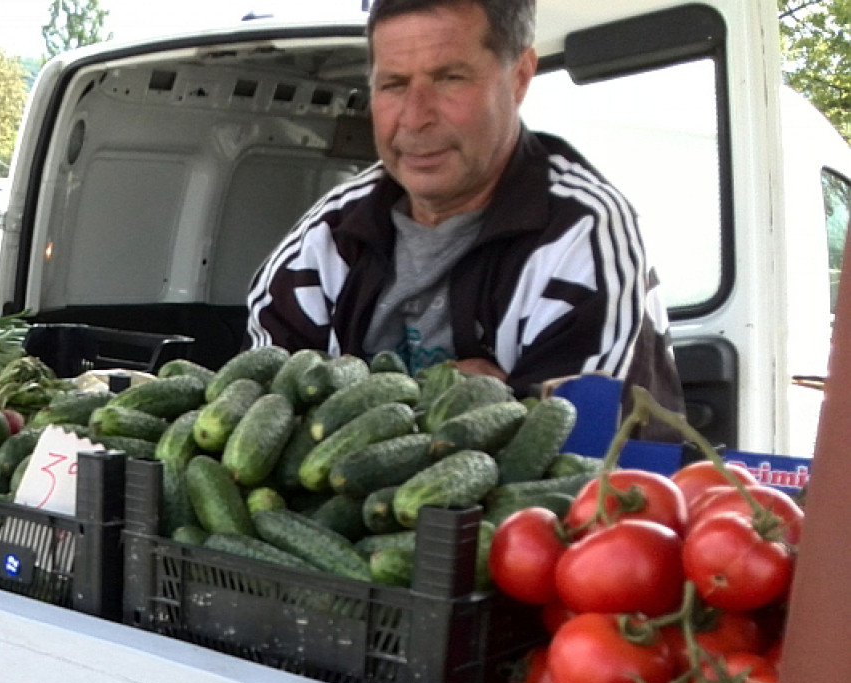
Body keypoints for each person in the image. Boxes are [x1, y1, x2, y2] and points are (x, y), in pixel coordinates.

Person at [245, 0, 682, 409]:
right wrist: (448, 396)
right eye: (393, 85)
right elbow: (258, 413)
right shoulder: (331, 233)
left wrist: (352, 408)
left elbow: (573, 445)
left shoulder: (583, 232)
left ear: (520, 78)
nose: (416, 117)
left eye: (449, 79)